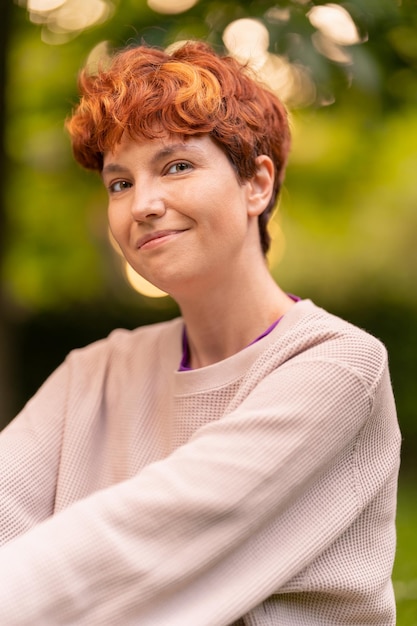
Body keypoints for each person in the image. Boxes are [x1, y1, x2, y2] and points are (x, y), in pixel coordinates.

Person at [0, 40, 401, 625]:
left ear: (256, 186)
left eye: (176, 166)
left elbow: (135, 543)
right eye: (120, 183)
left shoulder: (335, 367)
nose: (143, 204)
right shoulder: (95, 370)